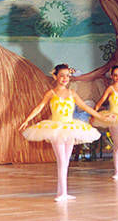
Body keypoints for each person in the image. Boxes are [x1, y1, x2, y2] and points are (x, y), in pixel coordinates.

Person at [19, 64, 106, 202]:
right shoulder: (51, 93)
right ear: (55, 77)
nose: (65, 78)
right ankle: (61, 193)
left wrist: (100, 116)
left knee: (66, 162)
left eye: (67, 75)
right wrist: (27, 120)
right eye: (62, 76)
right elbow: (39, 107)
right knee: (61, 161)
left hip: (70, 128)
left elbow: (85, 107)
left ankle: (63, 192)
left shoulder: (72, 93)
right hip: (56, 129)